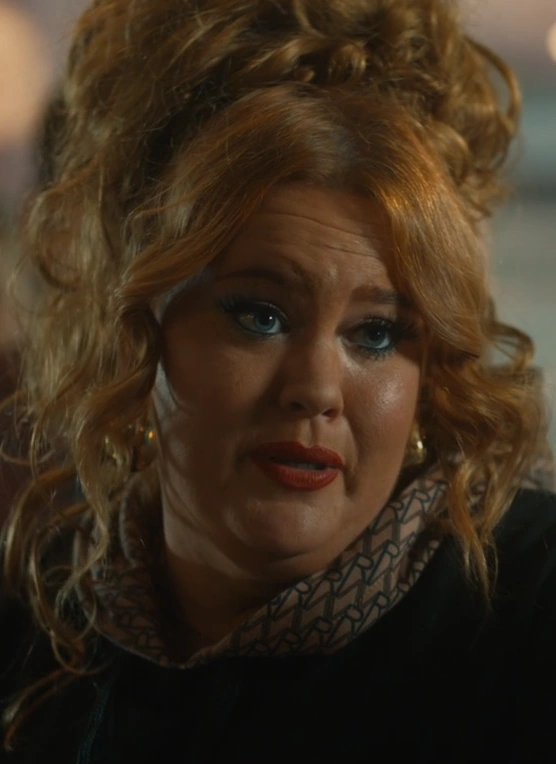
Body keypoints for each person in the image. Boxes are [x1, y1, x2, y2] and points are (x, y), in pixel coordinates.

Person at [1, 1, 555, 762]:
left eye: (376, 333)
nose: (317, 389)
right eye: (260, 316)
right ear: (138, 334)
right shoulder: (43, 613)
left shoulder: (529, 607)